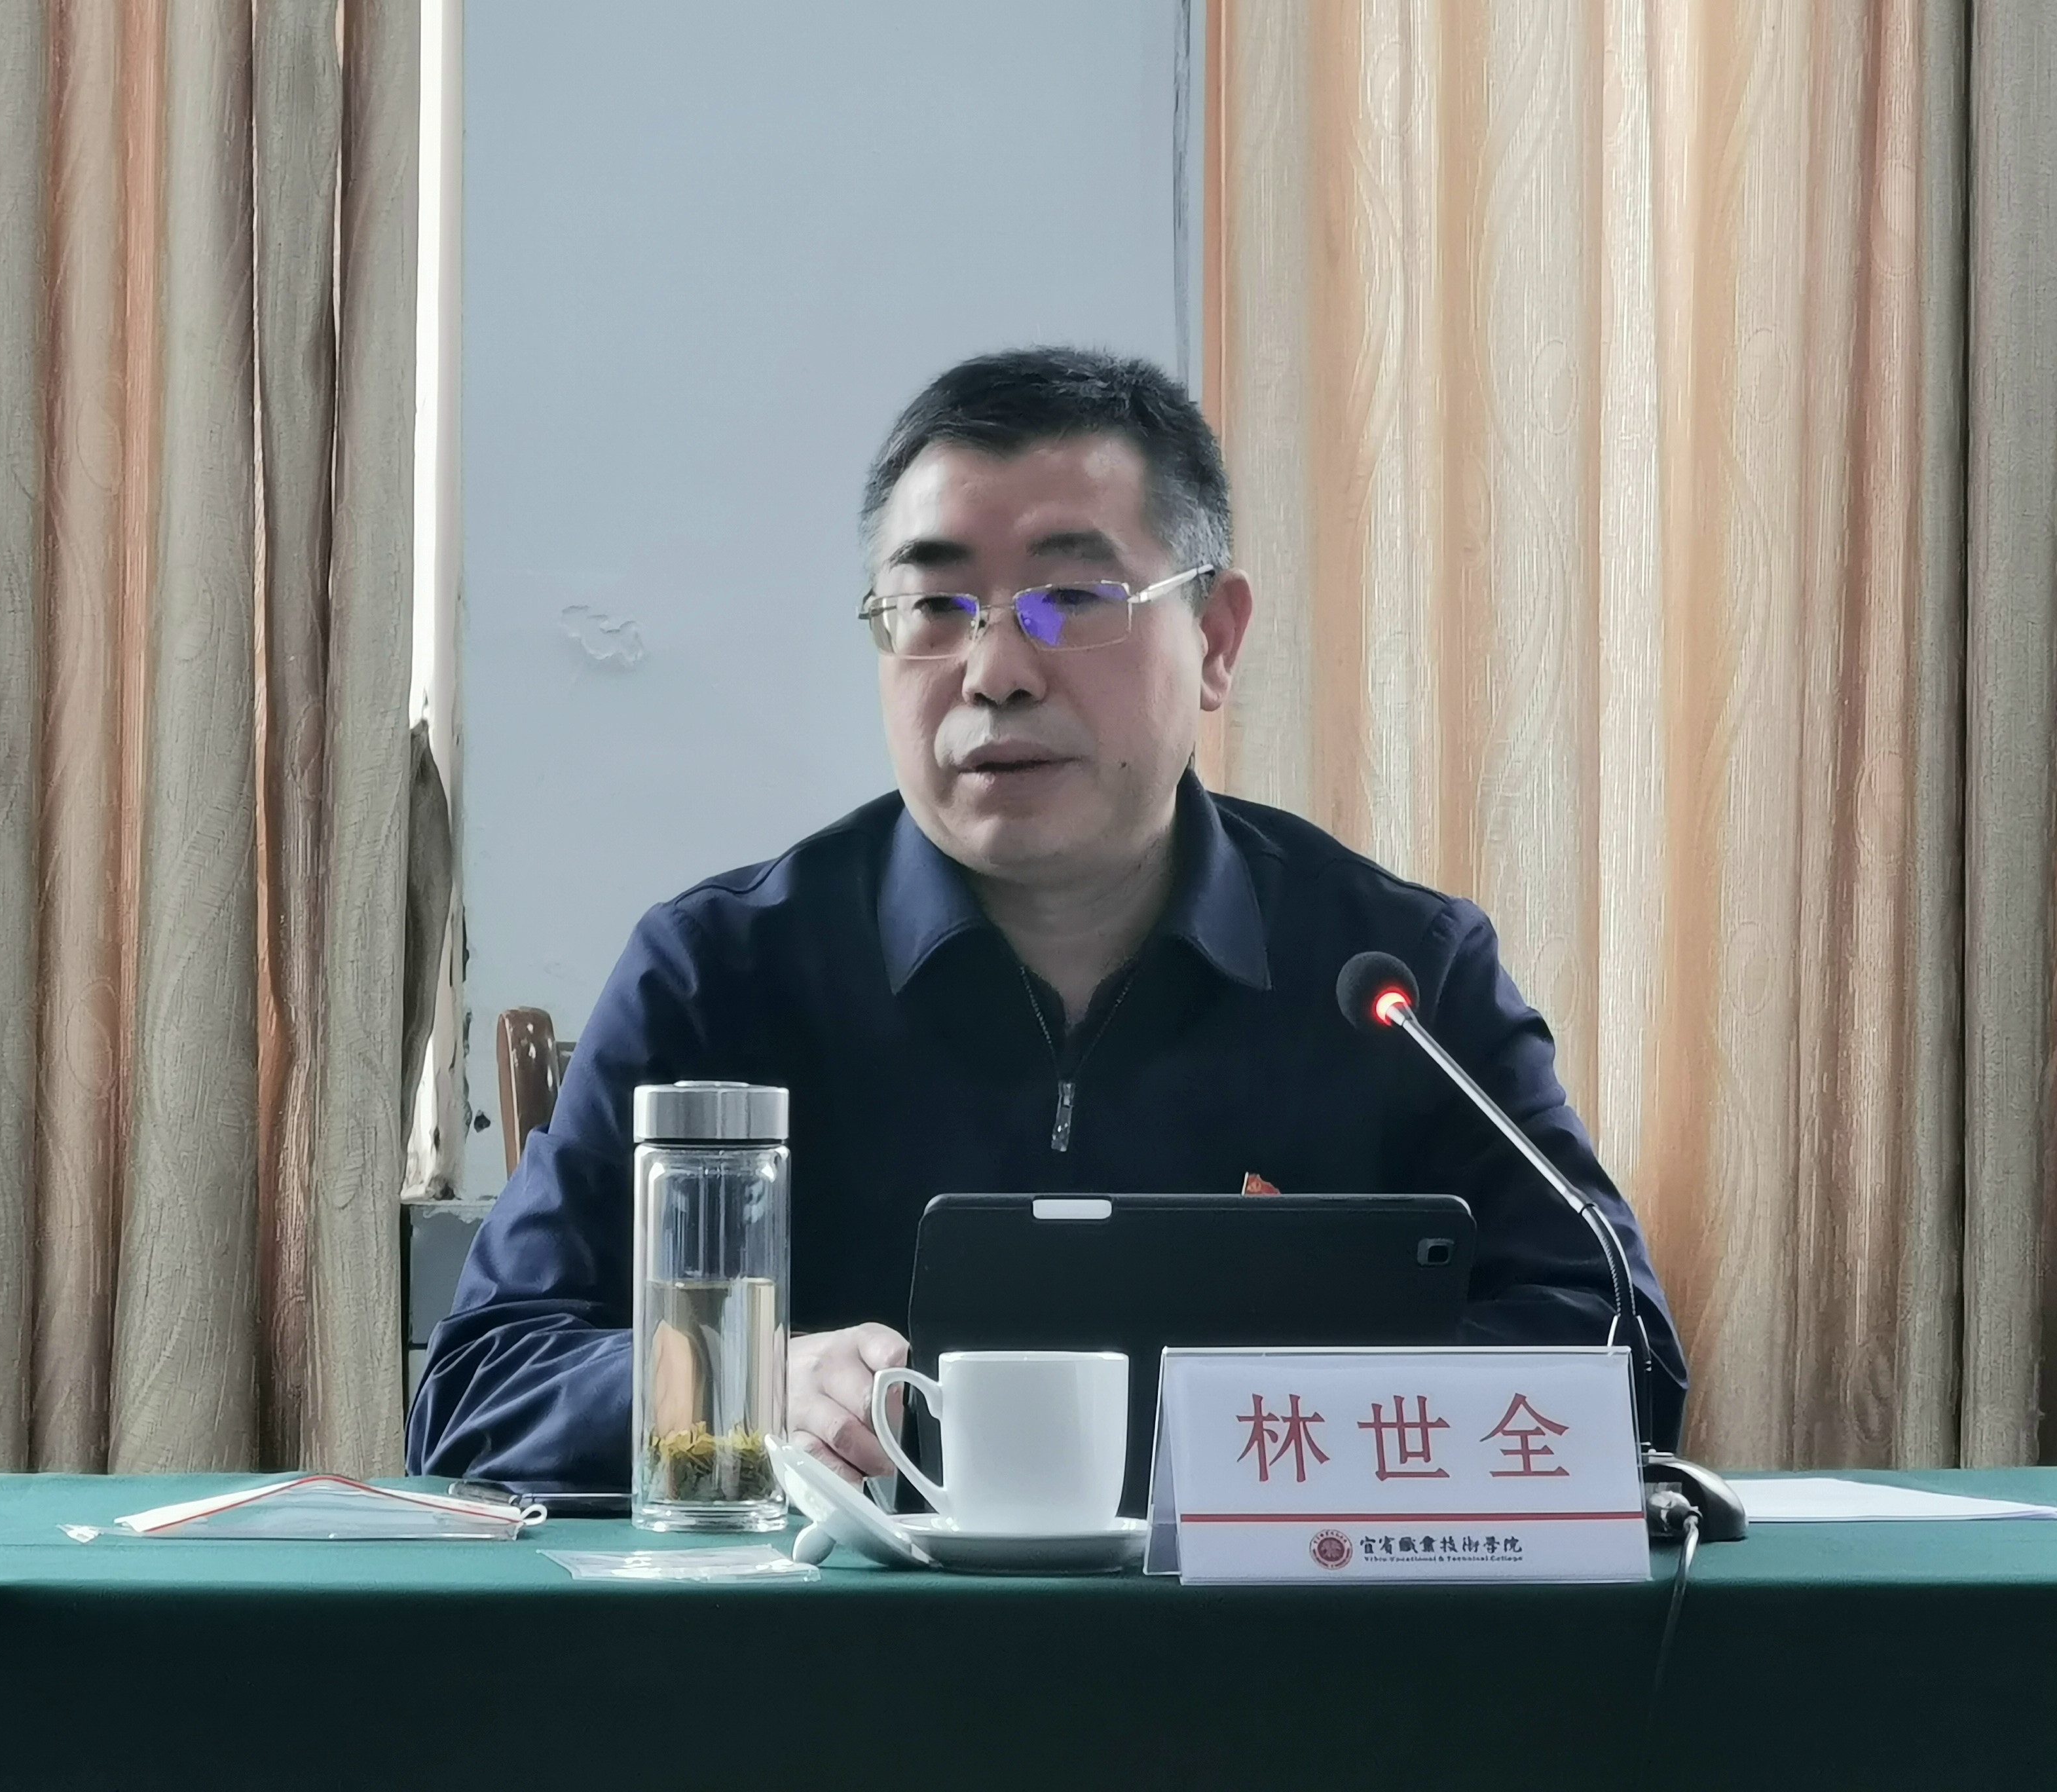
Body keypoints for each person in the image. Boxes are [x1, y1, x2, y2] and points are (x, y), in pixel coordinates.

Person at [407, 346, 1688, 1487]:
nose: (996, 671)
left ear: (1217, 639)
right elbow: (477, 1391)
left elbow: (1619, 1356)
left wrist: (1275, 1435)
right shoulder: (720, 974)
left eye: (1071, 600)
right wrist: (748, 1389)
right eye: (935, 607)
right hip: (834, 1663)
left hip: (1272, 1654)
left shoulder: (1392, 977)